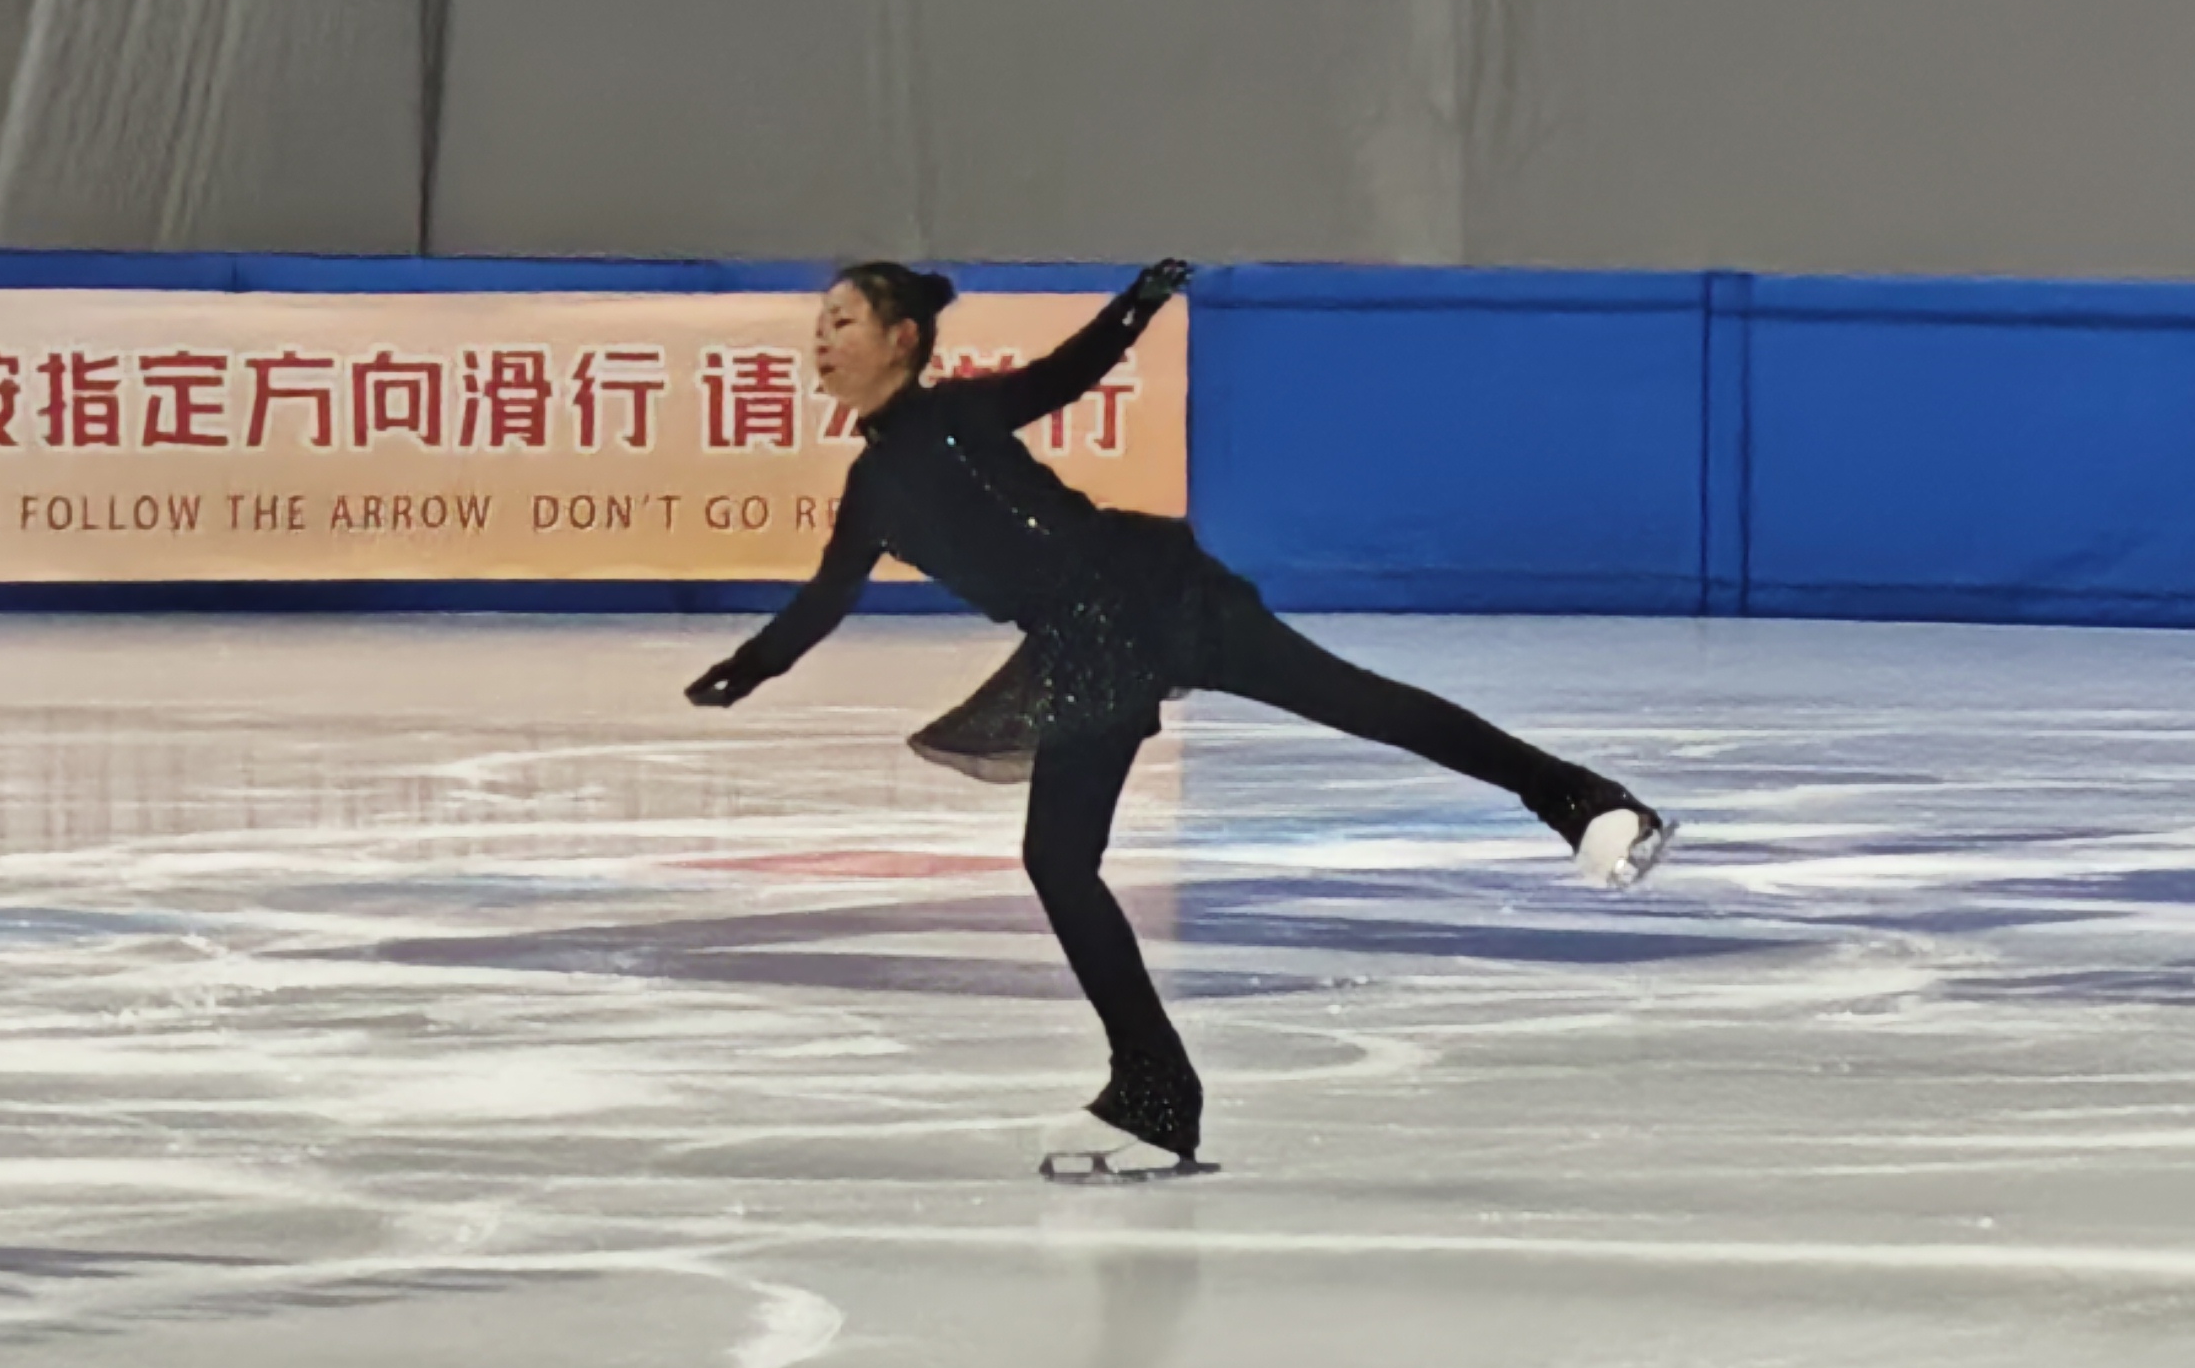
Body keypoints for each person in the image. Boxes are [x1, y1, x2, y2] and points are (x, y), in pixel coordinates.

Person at [686, 260, 1669, 1172]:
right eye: (820, 323)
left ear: (901, 338)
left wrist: (1136, 307)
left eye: (842, 321)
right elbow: (829, 593)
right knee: (1065, 858)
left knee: (1349, 706)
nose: (821, 339)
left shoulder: (957, 414)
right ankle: (1156, 1090)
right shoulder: (872, 487)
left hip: (1139, 593)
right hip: (1089, 639)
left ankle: (1584, 804)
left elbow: (1065, 375)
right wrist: (750, 667)